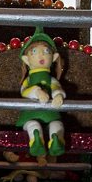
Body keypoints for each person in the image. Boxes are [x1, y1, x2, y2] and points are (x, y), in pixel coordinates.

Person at [17, 27, 66, 158]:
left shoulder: (52, 79)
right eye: (34, 51)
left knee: (57, 124)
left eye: (46, 51)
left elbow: (56, 88)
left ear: (54, 57)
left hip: (50, 113)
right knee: (33, 125)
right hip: (30, 114)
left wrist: (58, 95)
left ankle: (57, 141)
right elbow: (24, 91)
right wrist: (37, 92)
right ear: (26, 60)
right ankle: (35, 142)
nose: (41, 55)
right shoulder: (28, 80)